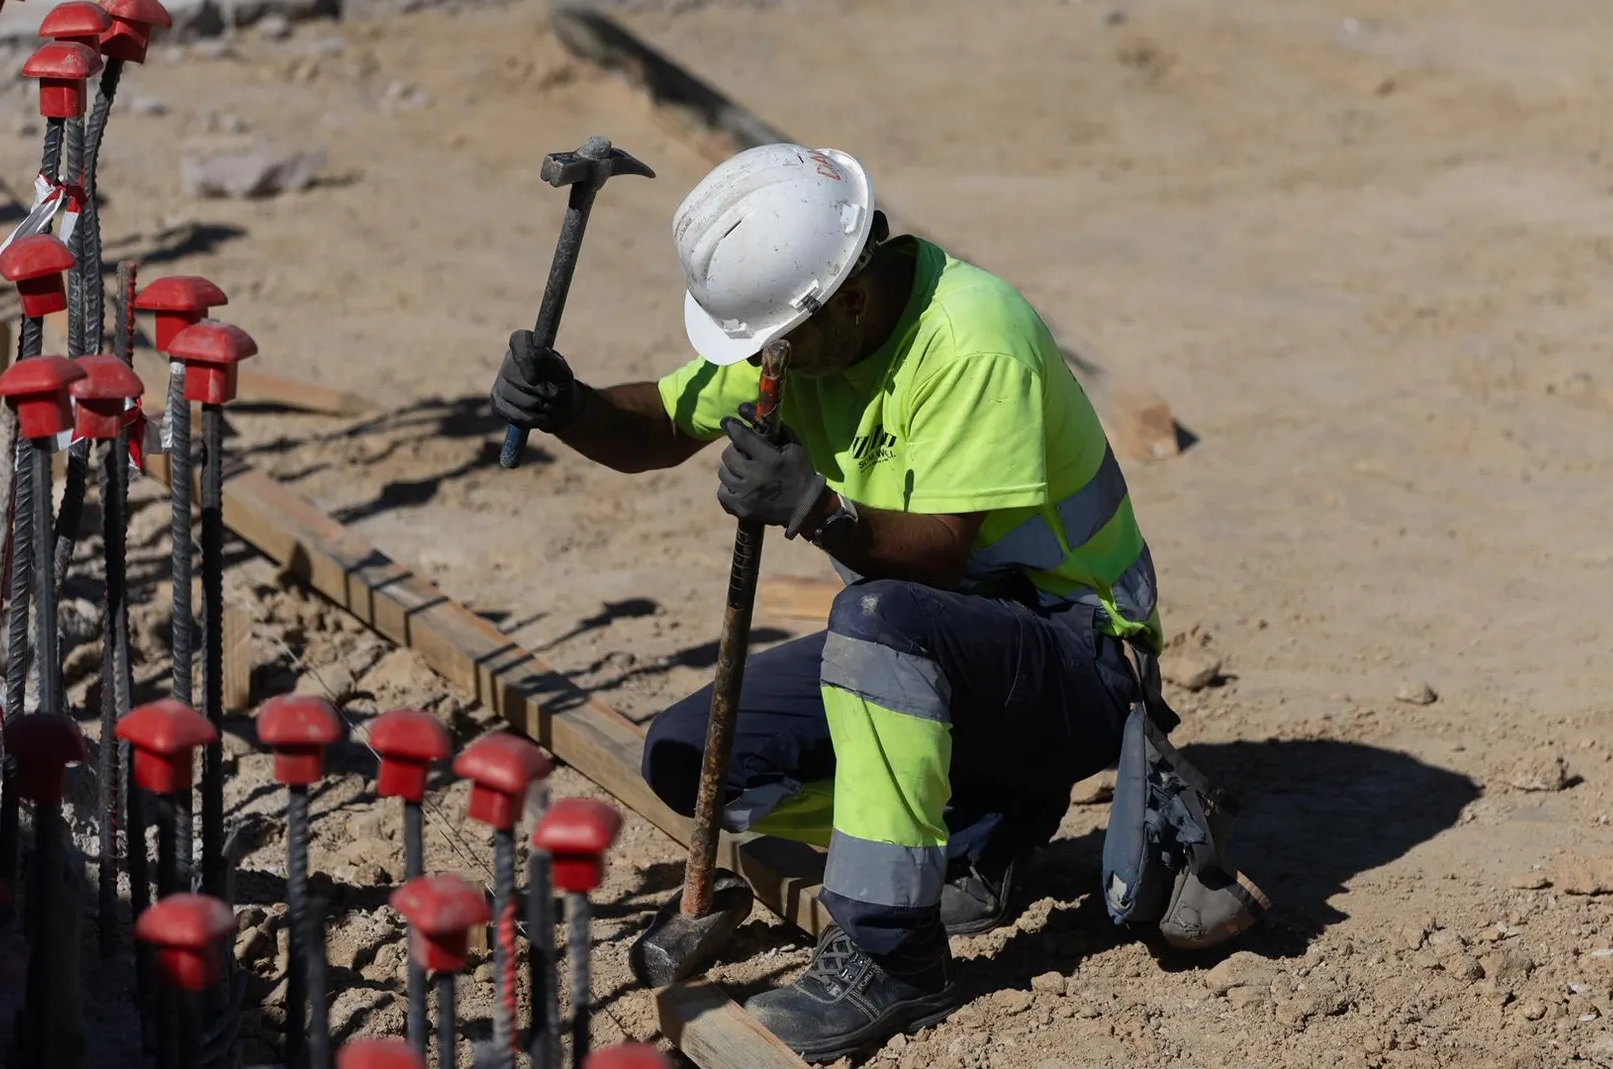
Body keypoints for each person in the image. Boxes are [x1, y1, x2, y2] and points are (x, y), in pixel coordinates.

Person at [490, 143, 1244, 1061]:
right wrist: (568, 404)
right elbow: (658, 423)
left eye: (778, 341)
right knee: (695, 761)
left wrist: (815, 508)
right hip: (933, 662)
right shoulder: (803, 340)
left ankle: (895, 957)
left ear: (847, 298)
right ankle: (979, 830)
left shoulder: (972, 337)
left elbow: (934, 561)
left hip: (1077, 663)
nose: (767, 363)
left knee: (878, 619)